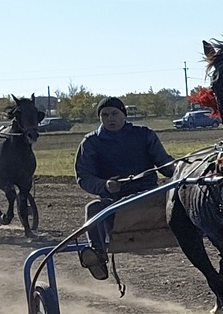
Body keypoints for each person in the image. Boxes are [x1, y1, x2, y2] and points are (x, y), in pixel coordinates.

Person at [73, 97, 175, 279]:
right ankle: (97, 255)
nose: (110, 118)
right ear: (100, 118)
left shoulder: (144, 135)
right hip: (115, 201)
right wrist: (105, 185)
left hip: (149, 194)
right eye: (104, 115)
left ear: (124, 115)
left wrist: (178, 167)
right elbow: (84, 177)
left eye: (114, 114)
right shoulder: (90, 143)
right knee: (93, 209)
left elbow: (164, 164)